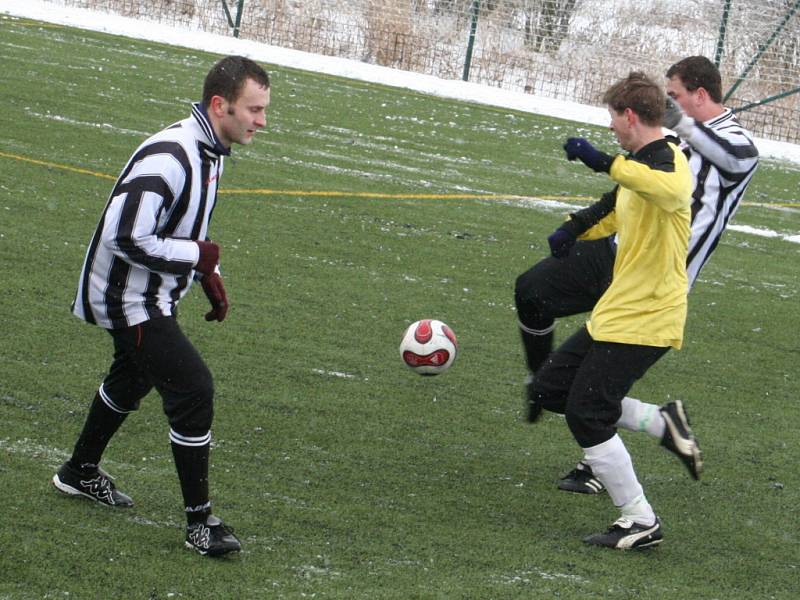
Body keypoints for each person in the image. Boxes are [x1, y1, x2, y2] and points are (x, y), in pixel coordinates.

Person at [52, 55, 271, 557]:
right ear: (221, 106)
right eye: (253, 110)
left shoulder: (209, 150)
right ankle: (200, 524)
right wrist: (198, 256)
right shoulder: (172, 156)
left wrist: (208, 272)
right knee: (193, 389)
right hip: (126, 298)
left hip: (151, 295)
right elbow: (124, 234)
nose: (262, 121)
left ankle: (78, 471)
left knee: (134, 375)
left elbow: (186, 229)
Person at [515, 55, 759, 495]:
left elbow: (736, 162)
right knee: (533, 289)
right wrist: (576, 225)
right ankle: (546, 386)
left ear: (699, 96)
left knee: (595, 387)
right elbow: (633, 185)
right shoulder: (678, 142)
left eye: (677, 96)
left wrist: (678, 124)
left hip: (659, 276)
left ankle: (602, 458)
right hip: (620, 254)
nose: (670, 105)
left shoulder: (732, 142)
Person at [528, 71, 693, 549]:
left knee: (586, 413)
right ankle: (658, 421)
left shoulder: (670, 163)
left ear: (630, 116)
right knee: (550, 389)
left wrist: (603, 161)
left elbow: (669, 193)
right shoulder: (640, 165)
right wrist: (572, 230)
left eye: (614, 119)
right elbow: (617, 209)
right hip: (618, 312)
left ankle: (639, 519)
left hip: (650, 317)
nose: (612, 129)